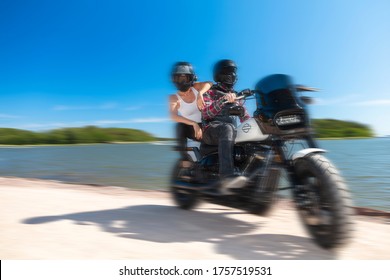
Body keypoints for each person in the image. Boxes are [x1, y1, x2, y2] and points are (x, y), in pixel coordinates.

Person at [201, 59, 250, 192]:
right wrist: (223, 100)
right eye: (230, 72)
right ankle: (227, 175)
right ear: (221, 74)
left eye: (234, 72)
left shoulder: (237, 97)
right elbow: (206, 113)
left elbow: (246, 119)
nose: (233, 75)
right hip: (211, 131)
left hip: (230, 132)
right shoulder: (210, 92)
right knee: (227, 128)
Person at [169, 62, 212, 159]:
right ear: (174, 79)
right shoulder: (173, 97)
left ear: (191, 78)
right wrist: (194, 123)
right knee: (179, 126)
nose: (182, 81)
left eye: (185, 78)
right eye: (179, 78)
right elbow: (173, 116)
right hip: (192, 129)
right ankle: (184, 159)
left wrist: (200, 93)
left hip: (207, 126)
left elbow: (209, 83)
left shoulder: (196, 87)